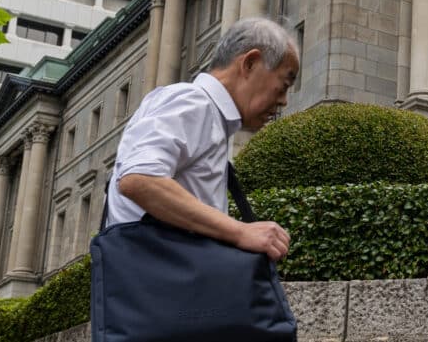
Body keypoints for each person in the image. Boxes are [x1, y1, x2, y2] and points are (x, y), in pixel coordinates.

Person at [104, 17, 299, 261]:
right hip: (158, 289)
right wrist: (240, 232)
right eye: (284, 84)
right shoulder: (194, 102)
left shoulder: (206, 114)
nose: (284, 101)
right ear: (250, 63)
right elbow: (139, 179)